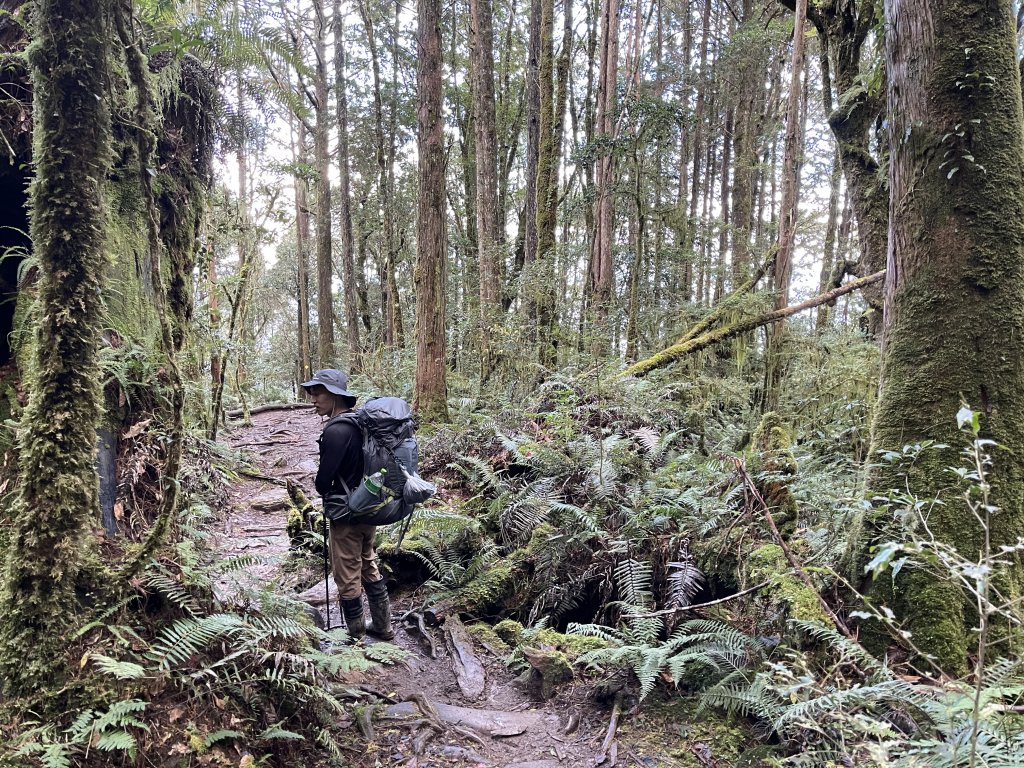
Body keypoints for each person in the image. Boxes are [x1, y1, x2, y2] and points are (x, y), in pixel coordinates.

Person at [301, 369, 394, 641]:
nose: (313, 398)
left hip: (345, 515)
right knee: (368, 563)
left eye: (318, 392)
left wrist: (323, 486)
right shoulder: (360, 424)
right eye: (311, 392)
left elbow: (322, 482)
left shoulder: (336, 431)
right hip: (369, 508)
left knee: (346, 575)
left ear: (335, 395)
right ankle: (383, 625)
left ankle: (355, 637)